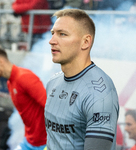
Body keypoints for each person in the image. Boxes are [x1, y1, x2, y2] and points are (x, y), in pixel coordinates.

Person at [45, 9, 119, 150]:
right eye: (52, 33)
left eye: (62, 34)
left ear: (85, 42)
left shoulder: (100, 94)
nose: (51, 41)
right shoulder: (52, 83)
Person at [0, 45, 47, 150]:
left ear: (0, 62)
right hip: (29, 142)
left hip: (44, 144)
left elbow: (50, 106)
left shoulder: (24, 77)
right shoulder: (10, 82)